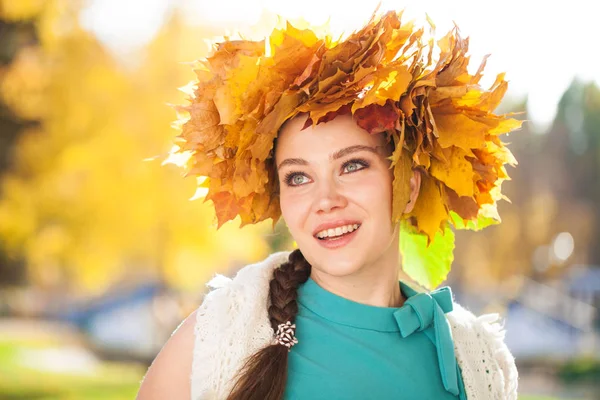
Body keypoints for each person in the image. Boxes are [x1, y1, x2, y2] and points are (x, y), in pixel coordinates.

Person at [137, 9, 521, 400]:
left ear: (406, 188)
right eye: (298, 177)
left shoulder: (476, 358)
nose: (325, 200)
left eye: (352, 165)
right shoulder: (217, 336)